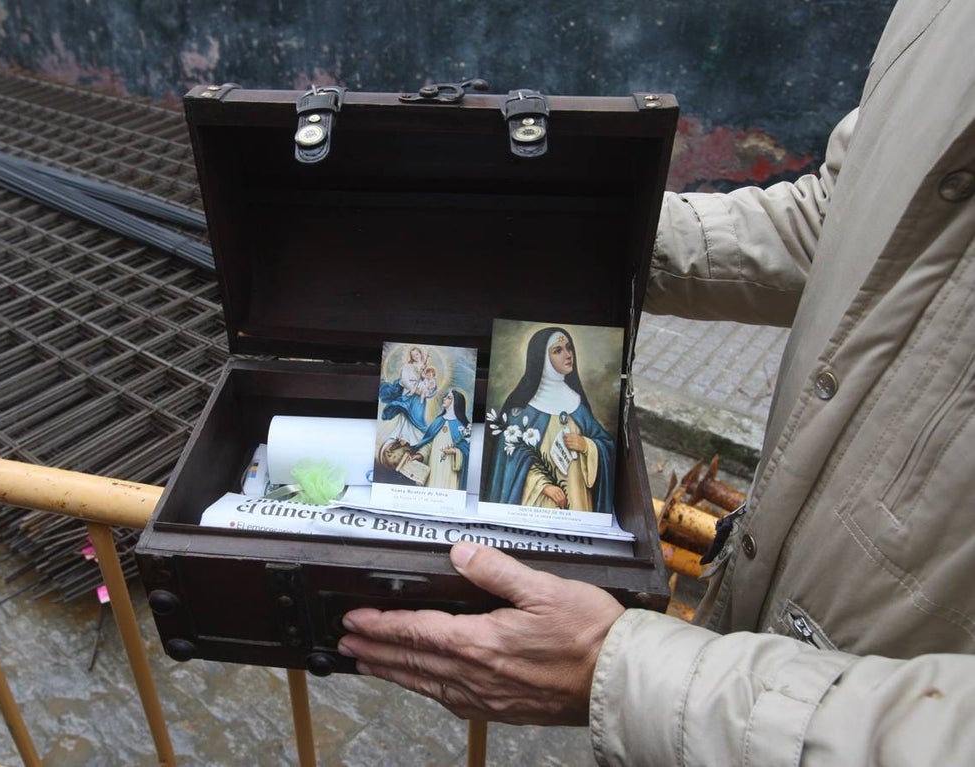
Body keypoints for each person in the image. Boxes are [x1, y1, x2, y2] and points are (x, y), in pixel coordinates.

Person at [337, 0, 975, 763]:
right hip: (757, 634)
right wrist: (595, 238)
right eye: (558, 358)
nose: (564, 365)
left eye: (571, 359)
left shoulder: (583, 408)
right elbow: (840, 218)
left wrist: (630, 670)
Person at [484, 327, 614, 514]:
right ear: (541, 359)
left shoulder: (577, 404)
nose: (568, 355)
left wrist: (587, 446)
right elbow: (509, 466)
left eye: (569, 348)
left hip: (577, 500)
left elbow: (607, 446)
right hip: (536, 503)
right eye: (558, 350)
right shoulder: (521, 411)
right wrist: (542, 486)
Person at [409, 389, 471, 491]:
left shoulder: (462, 426)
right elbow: (429, 444)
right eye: (446, 396)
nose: (444, 399)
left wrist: (455, 451)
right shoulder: (438, 421)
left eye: (449, 398)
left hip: (450, 471)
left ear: (455, 403)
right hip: (433, 468)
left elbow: (466, 451)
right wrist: (420, 455)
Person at [379, 345, 432, 443]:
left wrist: (425, 382)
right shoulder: (407, 366)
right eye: (413, 356)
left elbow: (428, 380)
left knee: (418, 414)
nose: (416, 357)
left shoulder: (425, 367)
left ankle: (416, 438)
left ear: (420, 353)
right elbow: (404, 380)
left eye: (417, 354)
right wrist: (413, 389)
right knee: (406, 412)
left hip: (420, 394)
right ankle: (404, 436)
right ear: (411, 357)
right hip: (409, 391)